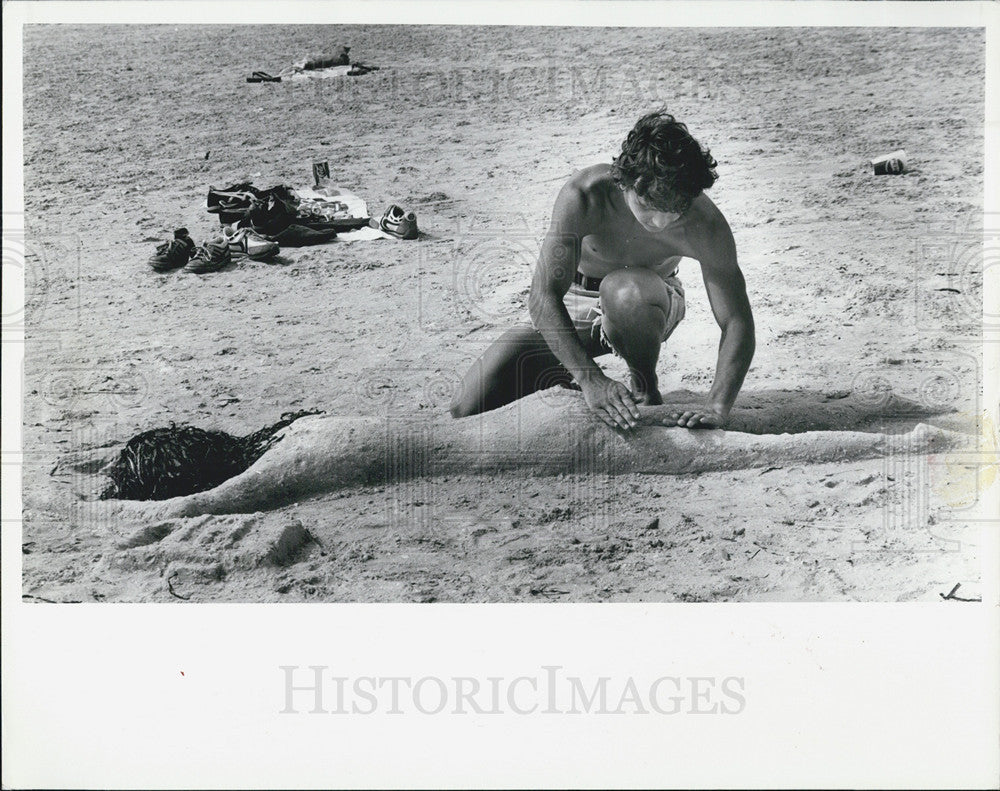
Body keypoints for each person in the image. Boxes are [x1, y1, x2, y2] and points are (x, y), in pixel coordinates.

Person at [450, 109, 755, 431]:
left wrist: (718, 406)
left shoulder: (704, 223)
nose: (663, 222)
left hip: (646, 302)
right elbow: (543, 296)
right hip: (575, 298)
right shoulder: (584, 196)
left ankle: (644, 386)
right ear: (625, 181)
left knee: (626, 290)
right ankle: (567, 380)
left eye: (676, 210)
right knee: (467, 406)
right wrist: (590, 379)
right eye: (650, 205)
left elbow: (736, 319)